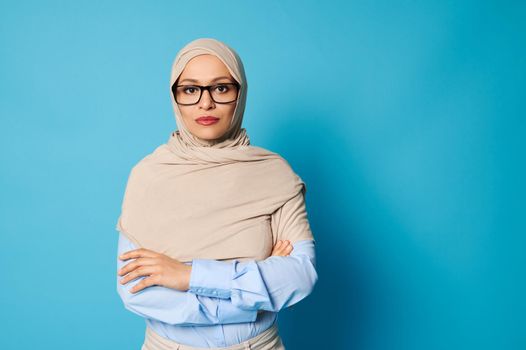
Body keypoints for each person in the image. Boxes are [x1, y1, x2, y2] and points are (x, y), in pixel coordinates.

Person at [115, 38, 317, 350]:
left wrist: (188, 276)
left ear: (241, 92)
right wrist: (256, 294)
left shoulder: (273, 174)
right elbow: (136, 292)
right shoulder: (148, 176)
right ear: (175, 96)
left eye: (221, 88)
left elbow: (300, 275)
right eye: (191, 89)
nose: (205, 103)